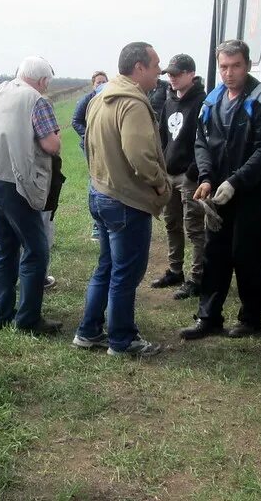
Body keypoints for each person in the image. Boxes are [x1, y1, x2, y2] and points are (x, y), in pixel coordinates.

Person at [180, 39, 261, 340]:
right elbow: (201, 142)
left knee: (247, 255)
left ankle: (251, 317)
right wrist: (207, 178)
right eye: (223, 67)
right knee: (215, 254)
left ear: (248, 65)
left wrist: (236, 181)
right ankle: (208, 316)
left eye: (235, 66)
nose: (229, 73)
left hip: (252, 194)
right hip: (218, 194)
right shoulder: (212, 100)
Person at [73, 42, 171, 357]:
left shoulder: (100, 97)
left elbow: (87, 141)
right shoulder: (132, 104)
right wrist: (159, 183)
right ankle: (122, 340)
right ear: (139, 68)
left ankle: (88, 333)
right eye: (155, 64)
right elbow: (140, 155)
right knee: (125, 274)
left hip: (100, 192)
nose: (160, 70)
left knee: (107, 266)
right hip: (125, 200)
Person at [0, 55, 63, 335]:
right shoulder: (37, 100)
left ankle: (0, 314)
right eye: (47, 82)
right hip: (14, 182)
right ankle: (28, 320)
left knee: (6, 247)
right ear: (42, 81)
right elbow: (51, 145)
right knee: (36, 250)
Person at [151, 54, 206, 300]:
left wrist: (194, 171)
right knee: (172, 224)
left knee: (194, 227)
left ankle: (198, 277)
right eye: (169, 74)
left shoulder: (202, 103)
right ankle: (175, 270)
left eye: (176, 73)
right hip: (169, 174)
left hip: (189, 176)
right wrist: (161, 165)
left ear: (190, 74)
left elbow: (206, 141)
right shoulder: (169, 101)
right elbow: (163, 136)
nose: (171, 78)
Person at [71, 70, 108, 240]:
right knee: (95, 179)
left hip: (106, 147)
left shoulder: (108, 98)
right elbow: (75, 121)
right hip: (91, 146)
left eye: (104, 81)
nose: (101, 84)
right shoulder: (88, 99)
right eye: (98, 82)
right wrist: (88, 135)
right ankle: (96, 227)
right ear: (93, 84)